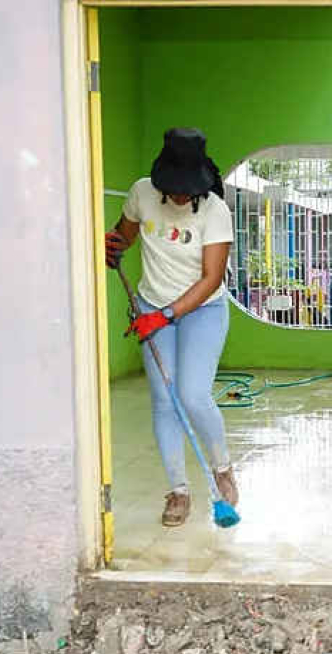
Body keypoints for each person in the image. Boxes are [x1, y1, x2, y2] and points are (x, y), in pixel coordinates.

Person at [104, 127, 239, 528]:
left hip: (202, 309)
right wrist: (111, 246)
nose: (180, 196)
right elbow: (123, 234)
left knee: (193, 394)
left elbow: (211, 278)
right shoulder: (142, 193)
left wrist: (164, 316)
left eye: (187, 190)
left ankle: (223, 468)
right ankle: (178, 492)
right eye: (173, 188)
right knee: (165, 400)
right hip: (151, 302)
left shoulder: (215, 210)